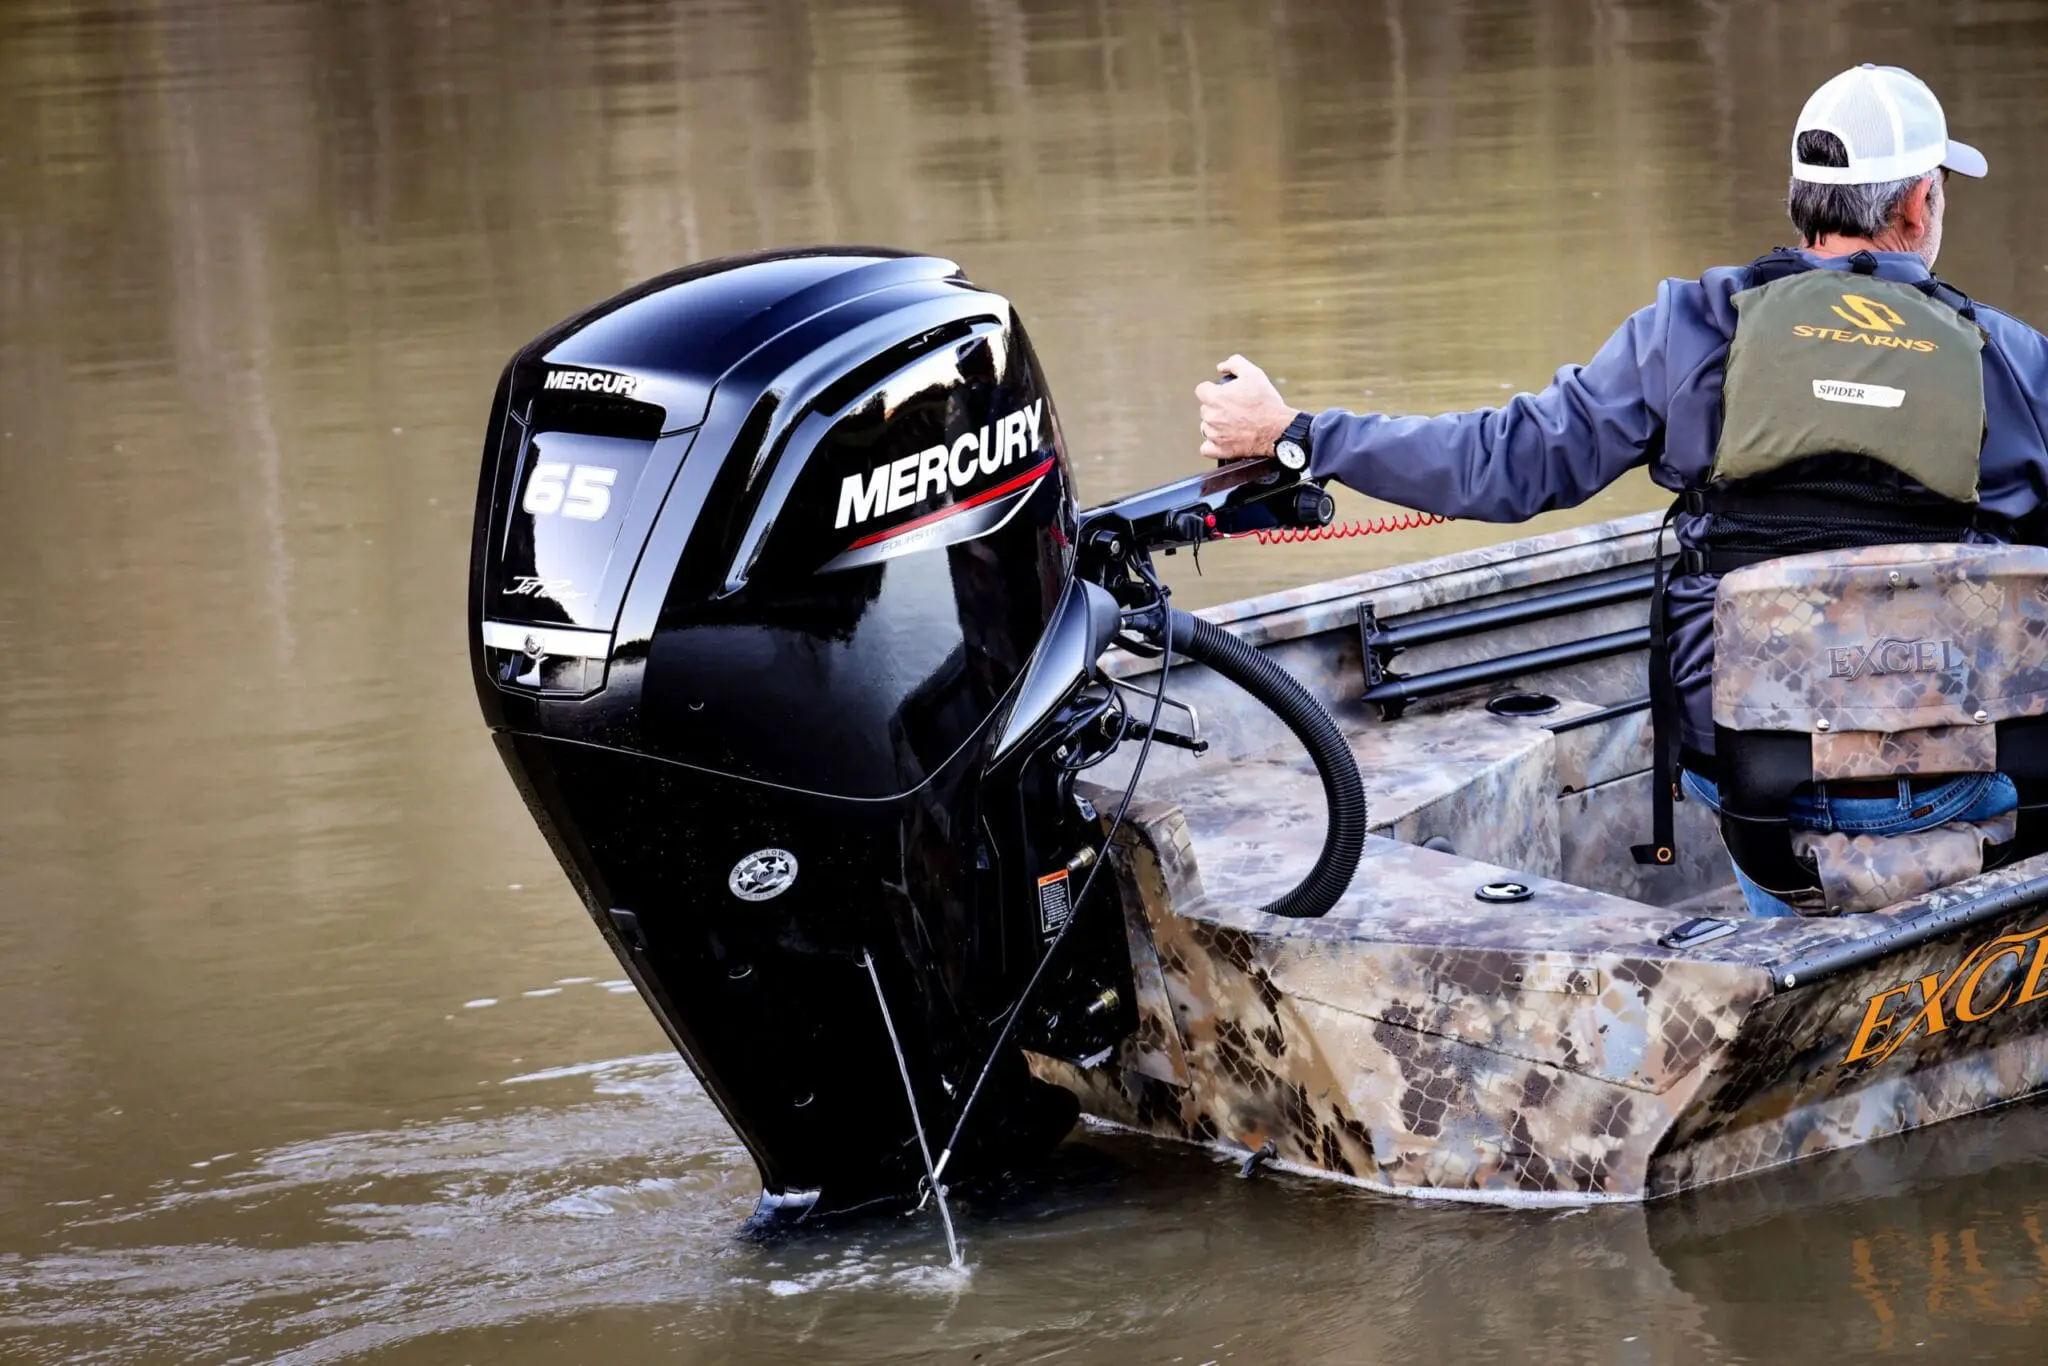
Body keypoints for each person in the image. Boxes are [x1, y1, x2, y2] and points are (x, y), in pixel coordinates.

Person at [1194, 64, 2048, 917]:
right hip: (1975, 785)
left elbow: (1504, 461)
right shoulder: (2014, 362)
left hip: (1756, 797)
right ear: (1919, 205)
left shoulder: (1693, 329)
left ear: (1803, 201)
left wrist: (1300, 433)